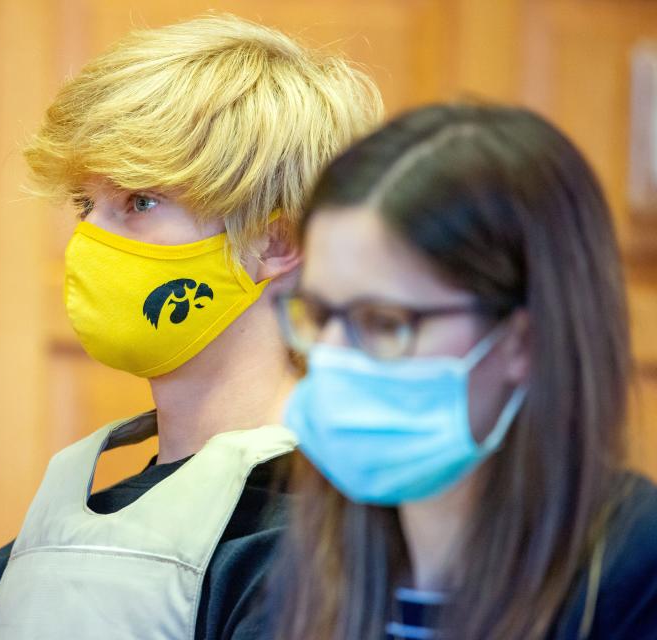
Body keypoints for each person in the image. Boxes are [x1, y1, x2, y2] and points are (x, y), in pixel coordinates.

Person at [0, 14, 382, 640]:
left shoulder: (333, 557)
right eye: (83, 205)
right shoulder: (12, 571)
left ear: (277, 241)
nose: (88, 240)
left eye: (139, 202)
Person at [270, 103, 657, 639]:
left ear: (524, 341)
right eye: (318, 316)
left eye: (383, 322)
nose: (332, 357)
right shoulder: (295, 566)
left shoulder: (637, 575)